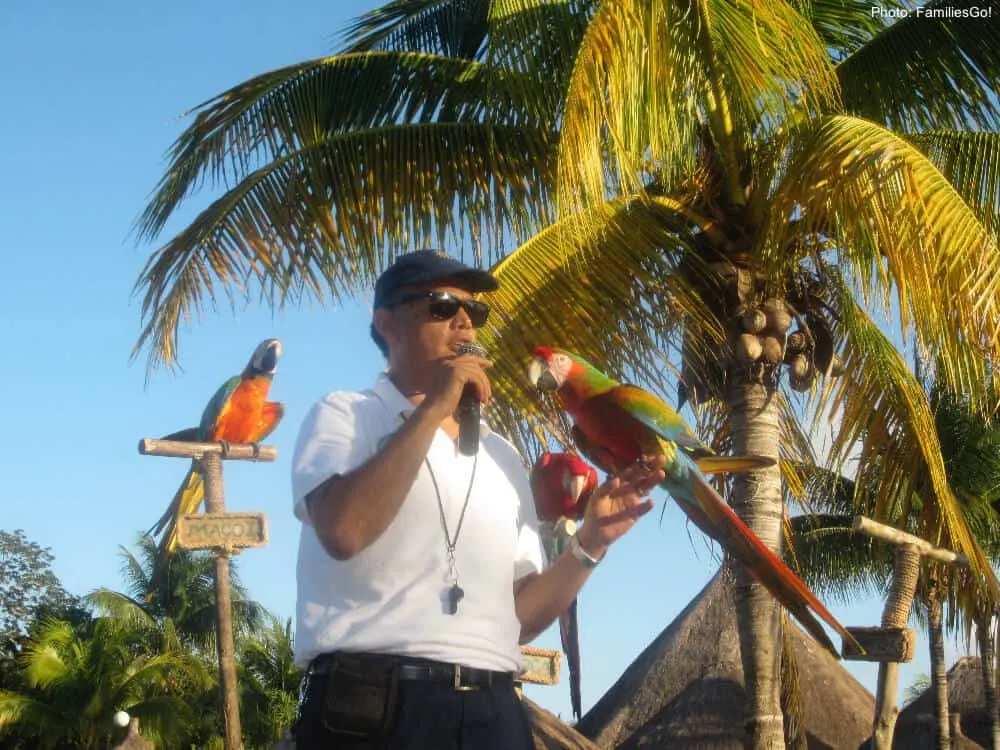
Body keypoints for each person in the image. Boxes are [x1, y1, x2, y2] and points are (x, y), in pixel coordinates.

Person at [290, 249, 665, 749]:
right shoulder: (344, 416)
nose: (466, 320)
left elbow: (520, 617)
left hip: (493, 712)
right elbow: (343, 530)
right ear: (385, 323)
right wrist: (435, 409)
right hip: (372, 709)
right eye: (442, 304)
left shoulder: (503, 456)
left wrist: (592, 541)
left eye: (476, 311)